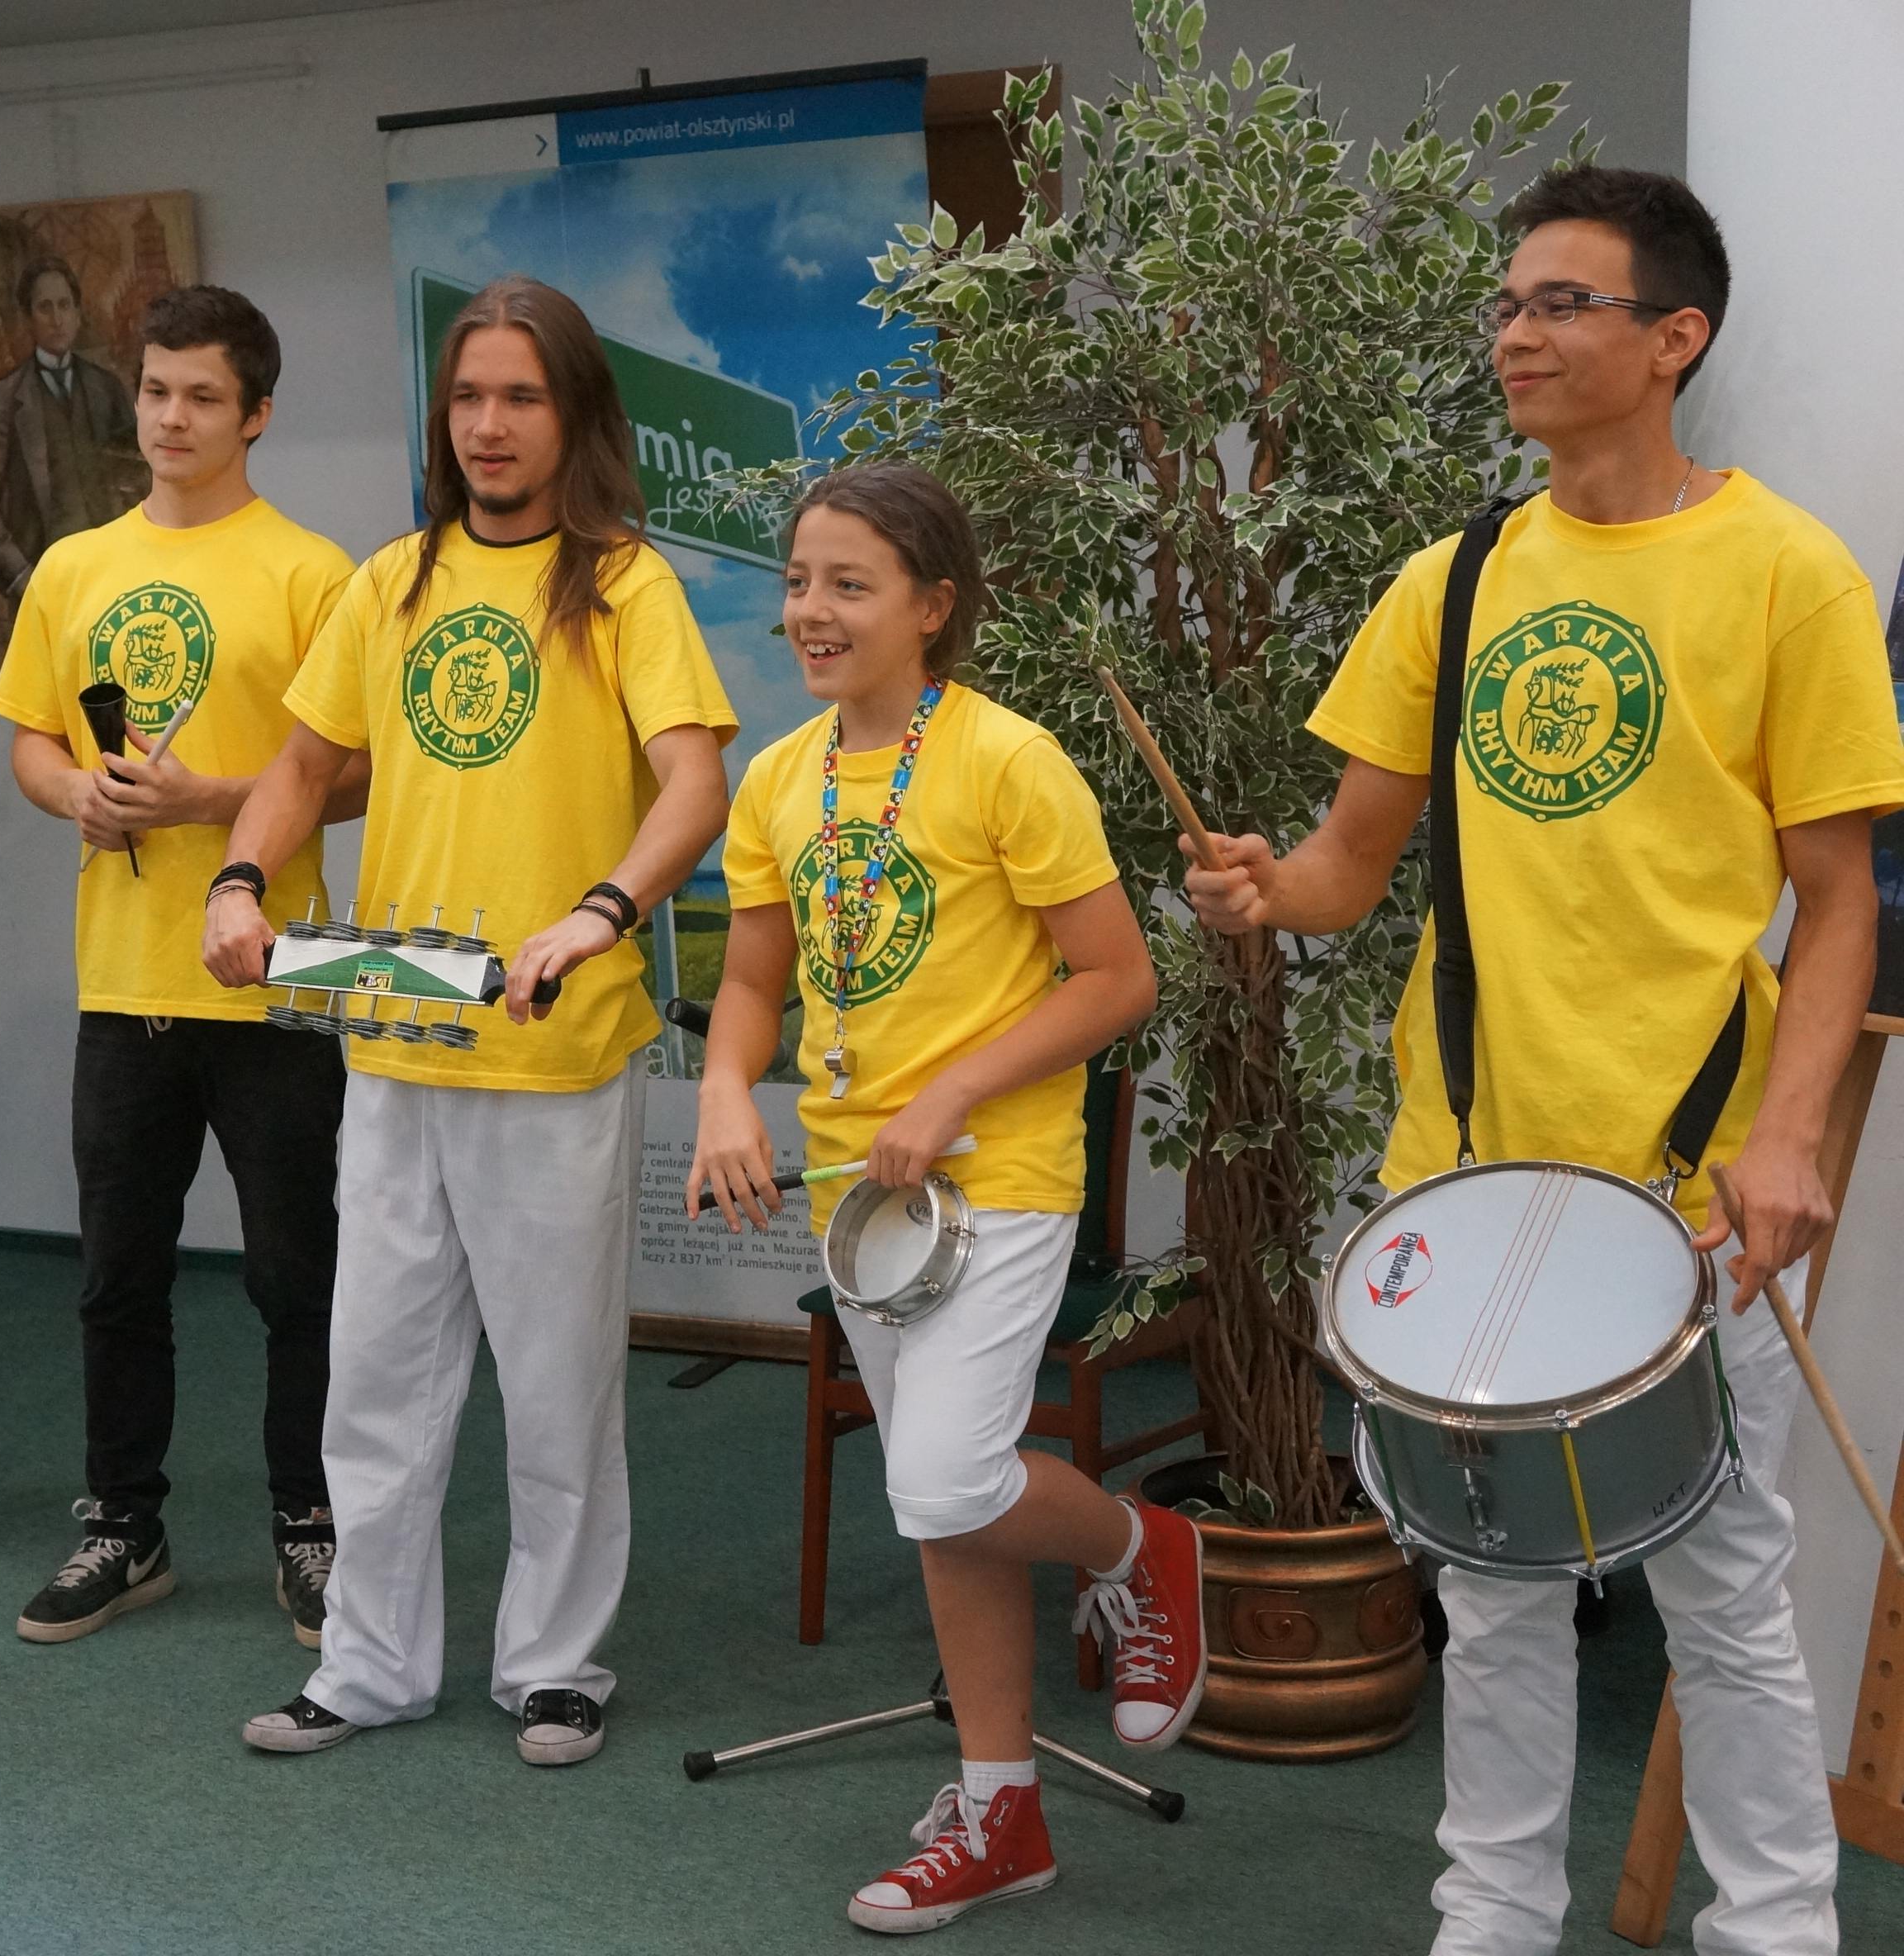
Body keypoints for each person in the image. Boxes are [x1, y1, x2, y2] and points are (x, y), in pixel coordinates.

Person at [1184, 164, 1904, 1956]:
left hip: (1685, 1183)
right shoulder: (1455, 577)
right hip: (1467, 1167)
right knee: (1489, 1591)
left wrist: (1788, 1139)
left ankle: (1774, 1930)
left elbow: (1837, 899)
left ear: (1674, 338)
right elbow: (1349, 863)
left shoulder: (1785, 573)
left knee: (1722, 1592)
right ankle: (1492, 1915)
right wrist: (1262, 889)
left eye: (1559, 302)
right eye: (1505, 303)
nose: (1513, 332)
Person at [206, 274, 737, 1768]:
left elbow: (694, 783)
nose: (488, 425)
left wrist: (601, 911)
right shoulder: (390, 581)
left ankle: (555, 1664)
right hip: (394, 1039)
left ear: (574, 415)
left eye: (520, 396)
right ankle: (368, 1664)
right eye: (467, 396)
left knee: (556, 1384)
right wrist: (239, 878)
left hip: (551, 1050)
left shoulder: (624, 585)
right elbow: (300, 769)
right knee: (375, 1377)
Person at [687, 463, 1197, 1935]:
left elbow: (1117, 978)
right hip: (861, 1196)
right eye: (798, 580)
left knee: (945, 1479)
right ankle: (999, 1809)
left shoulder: (1007, 760)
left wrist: (953, 1092)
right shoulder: (778, 779)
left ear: (932, 606)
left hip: (999, 1178)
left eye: (849, 584)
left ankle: (1141, 1547)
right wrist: (725, 1089)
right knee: (944, 1509)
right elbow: (752, 980)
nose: (811, 609)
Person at [0, 285, 362, 1646]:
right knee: (116, 1278)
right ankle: (123, 1526)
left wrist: (214, 801)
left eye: (203, 396)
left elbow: (358, 771)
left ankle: (310, 1526)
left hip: (273, 981)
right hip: (121, 984)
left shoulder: (314, 573)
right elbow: (30, 741)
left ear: (256, 414)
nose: (170, 417)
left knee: (296, 1278)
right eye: (154, 390)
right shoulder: (73, 566)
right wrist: (75, 797)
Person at [0, 255, 149, 603]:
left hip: (117, 575)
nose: (57, 319)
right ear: (28, 319)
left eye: (64, 305)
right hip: (47, 585)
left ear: (77, 313)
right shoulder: (7, 398)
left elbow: (142, 476)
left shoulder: (107, 387)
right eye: (45, 308)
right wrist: (20, 576)